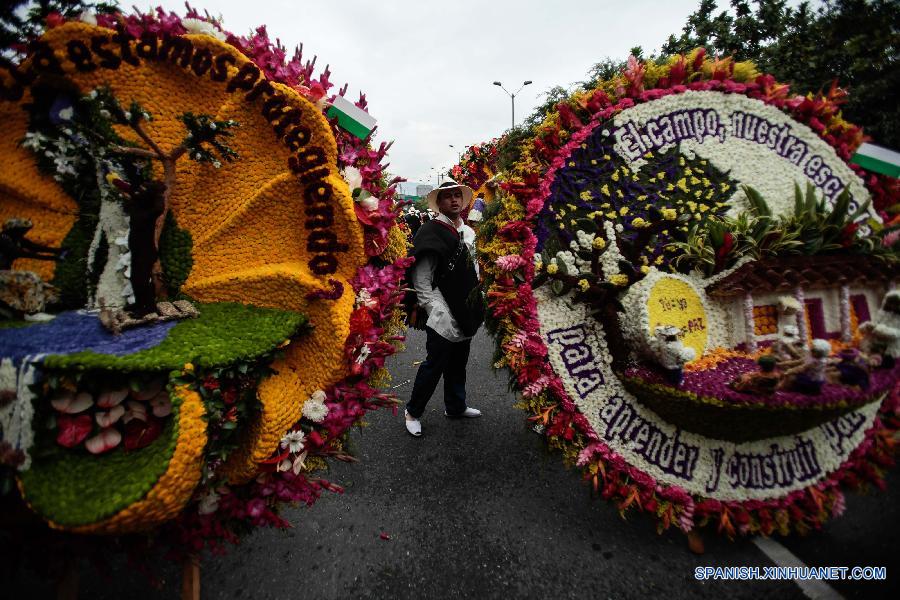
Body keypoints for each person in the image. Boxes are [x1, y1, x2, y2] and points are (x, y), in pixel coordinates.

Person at [404, 180, 484, 437]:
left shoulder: (468, 232)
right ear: (439, 203)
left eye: (457, 195)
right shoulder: (430, 231)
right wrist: (435, 311)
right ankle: (413, 412)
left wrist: (476, 299)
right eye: (448, 196)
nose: (454, 200)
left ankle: (455, 406)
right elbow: (422, 279)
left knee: (458, 363)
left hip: (465, 308)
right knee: (434, 365)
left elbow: (474, 268)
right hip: (442, 311)